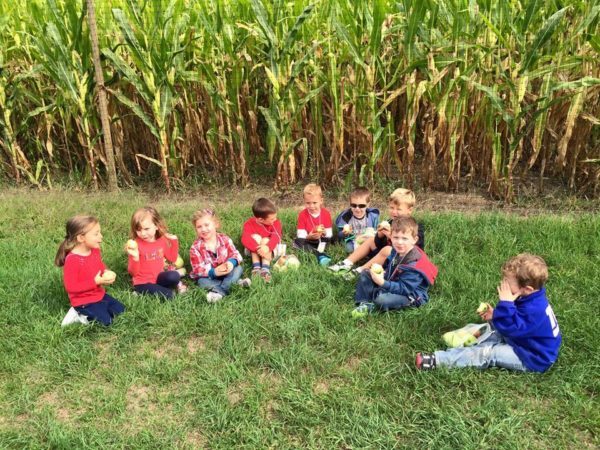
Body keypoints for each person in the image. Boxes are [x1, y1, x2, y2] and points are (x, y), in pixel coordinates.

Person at [416, 254, 561, 372]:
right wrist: (495, 314)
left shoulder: (534, 310)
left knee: (488, 353)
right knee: (488, 331)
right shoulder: (531, 297)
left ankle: (438, 360)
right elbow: (516, 321)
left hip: (532, 357)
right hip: (522, 340)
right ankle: (459, 345)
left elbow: (508, 328)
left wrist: (506, 304)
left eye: (508, 282)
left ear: (527, 289)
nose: (503, 284)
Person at [352, 216, 437, 318]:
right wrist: (384, 272)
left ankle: (375, 303)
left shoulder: (414, 265)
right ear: (391, 236)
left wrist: (382, 283)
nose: (399, 242)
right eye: (396, 237)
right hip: (394, 281)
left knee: (382, 300)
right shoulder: (396, 250)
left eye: (404, 238)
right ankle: (364, 302)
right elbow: (390, 263)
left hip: (410, 294)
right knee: (366, 272)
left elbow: (404, 288)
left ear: (414, 240)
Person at [329, 188, 424, 275]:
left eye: (398, 209)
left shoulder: (414, 226)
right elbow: (378, 244)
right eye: (391, 208)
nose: (394, 212)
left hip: (402, 260)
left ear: (409, 210)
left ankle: (359, 271)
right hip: (385, 256)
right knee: (371, 239)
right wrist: (380, 235)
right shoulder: (389, 222)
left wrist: (392, 236)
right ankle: (346, 263)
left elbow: (414, 249)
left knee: (387, 250)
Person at [55, 215, 125, 326]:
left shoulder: (95, 250)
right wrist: (95, 282)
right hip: (83, 302)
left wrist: (106, 271)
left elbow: (99, 265)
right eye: (96, 234)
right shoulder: (73, 260)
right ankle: (78, 314)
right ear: (81, 238)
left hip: (99, 295)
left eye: (100, 232)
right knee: (106, 322)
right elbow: (71, 287)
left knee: (121, 311)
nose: (101, 237)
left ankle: (96, 310)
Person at [189, 208, 251, 303]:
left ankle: (219, 292)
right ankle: (235, 284)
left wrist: (231, 263)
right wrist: (214, 272)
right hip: (210, 276)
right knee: (202, 282)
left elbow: (236, 255)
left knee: (238, 269)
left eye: (206, 225)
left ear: (216, 224)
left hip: (227, 271)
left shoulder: (224, 239)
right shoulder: (195, 247)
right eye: (199, 227)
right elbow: (197, 270)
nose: (203, 229)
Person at [126, 206, 186, 299]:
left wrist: (174, 242)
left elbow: (172, 259)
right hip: (142, 282)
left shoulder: (161, 241)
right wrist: (135, 258)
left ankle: (155, 289)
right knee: (170, 295)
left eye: (146, 229)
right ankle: (140, 291)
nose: (143, 233)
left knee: (174, 276)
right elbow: (133, 273)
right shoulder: (136, 245)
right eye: (138, 230)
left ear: (156, 226)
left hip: (158, 278)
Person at [241, 198, 283, 282]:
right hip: (254, 250)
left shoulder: (276, 223)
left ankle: (265, 269)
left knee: (265, 240)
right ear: (260, 219)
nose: (275, 220)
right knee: (256, 237)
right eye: (272, 219)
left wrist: (267, 247)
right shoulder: (249, 224)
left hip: (271, 249)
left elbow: (276, 237)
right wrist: (259, 249)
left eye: (275, 217)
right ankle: (256, 268)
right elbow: (245, 238)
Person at [293, 183, 334, 266]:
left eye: (314, 203)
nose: (311, 206)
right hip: (309, 239)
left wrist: (325, 232)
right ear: (304, 201)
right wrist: (309, 236)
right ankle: (320, 255)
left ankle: (315, 252)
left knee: (330, 240)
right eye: (308, 203)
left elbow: (329, 233)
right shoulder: (302, 214)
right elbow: (300, 233)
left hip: (322, 240)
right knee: (298, 241)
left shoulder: (326, 214)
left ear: (321, 201)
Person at [335, 187, 380, 253]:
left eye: (361, 206)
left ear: (368, 204)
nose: (357, 209)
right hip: (352, 240)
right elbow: (339, 235)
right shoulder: (346, 216)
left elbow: (376, 231)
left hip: (367, 239)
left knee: (376, 246)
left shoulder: (372, 216)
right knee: (349, 249)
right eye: (353, 205)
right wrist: (344, 233)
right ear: (350, 203)